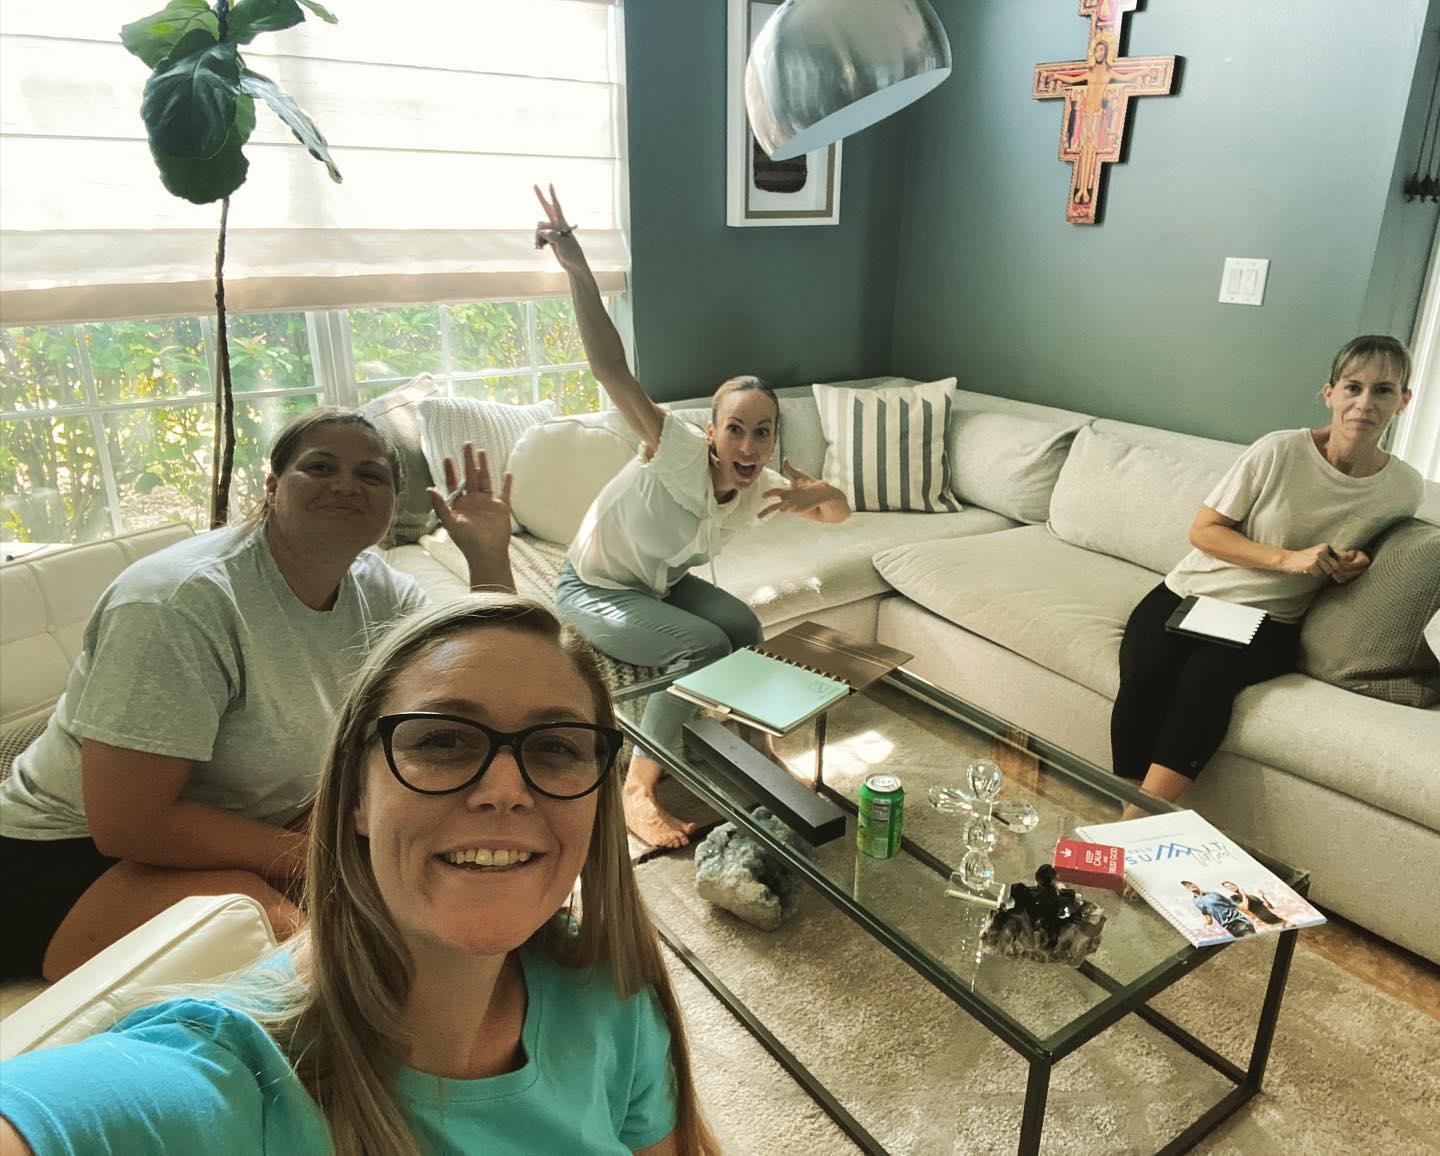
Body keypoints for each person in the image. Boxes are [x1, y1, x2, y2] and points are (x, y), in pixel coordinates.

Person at [0, 595, 718, 1155]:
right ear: (354, 796)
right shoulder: (229, 1076)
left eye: (556, 747)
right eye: (443, 739)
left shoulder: (607, 992)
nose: (505, 789)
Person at [0, 409, 515, 982]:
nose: (346, 484)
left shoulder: (375, 589)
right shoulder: (181, 603)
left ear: (393, 506)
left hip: (248, 822)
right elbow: (128, 824)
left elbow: (485, 675)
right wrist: (323, 862)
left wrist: (487, 555)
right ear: (272, 486)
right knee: (316, 953)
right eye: (320, 467)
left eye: (371, 476)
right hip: (67, 860)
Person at [533, 184, 852, 847]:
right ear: (711, 432)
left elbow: (837, 516)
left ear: (774, 440)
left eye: (762, 432)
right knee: (701, 645)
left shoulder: (760, 485)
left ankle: (751, 745)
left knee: (745, 626)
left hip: (657, 585)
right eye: (736, 429)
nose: (748, 446)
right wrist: (577, 265)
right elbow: (611, 370)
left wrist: (819, 492)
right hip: (592, 589)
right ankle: (637, 788)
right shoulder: (674, 449)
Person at [1111, 335, 1423, 805]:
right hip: (1189, 595)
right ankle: (1128, 815)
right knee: (1145, 675)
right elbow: (1204, 531)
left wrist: (1358, 561)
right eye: (1353, 387)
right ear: (1330, 394)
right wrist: (1288, 559)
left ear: (1404, 400)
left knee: (1204, 683)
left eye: (1383, 390)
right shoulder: (1279, 451)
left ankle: (1131, 827)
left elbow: (1369, 548)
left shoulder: (1403, 488)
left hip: (1269, 620)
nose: (1364, 403)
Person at [1182, 880, 1255, 938]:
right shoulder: (1197, 902)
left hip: (1239, 921)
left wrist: (1253, 916)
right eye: (1188, 886)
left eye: (1191, 884)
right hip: (1229, 927)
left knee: (1251, 939)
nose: (1191, 886)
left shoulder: (1213, 894)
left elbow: (1233, 904)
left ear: (1195, 884)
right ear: (1188, 889)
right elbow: (1208, 918)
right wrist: (1205, 925)